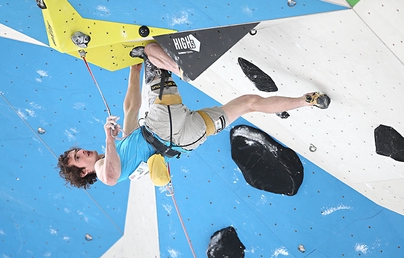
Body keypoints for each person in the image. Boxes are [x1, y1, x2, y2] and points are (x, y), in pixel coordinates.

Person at [57, 42, 331, 189]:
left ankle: (307, 101)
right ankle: (181, 69)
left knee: (248, 104)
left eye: (76, 151)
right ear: (83, 173)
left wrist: (135, 68)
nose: (80, 151)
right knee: (152, 50)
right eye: (77, 158)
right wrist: (107, 136)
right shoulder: (105, 172)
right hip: (163, 126)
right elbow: (111, 174)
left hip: (186, 140)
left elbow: (130, 107)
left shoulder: (121, 148)